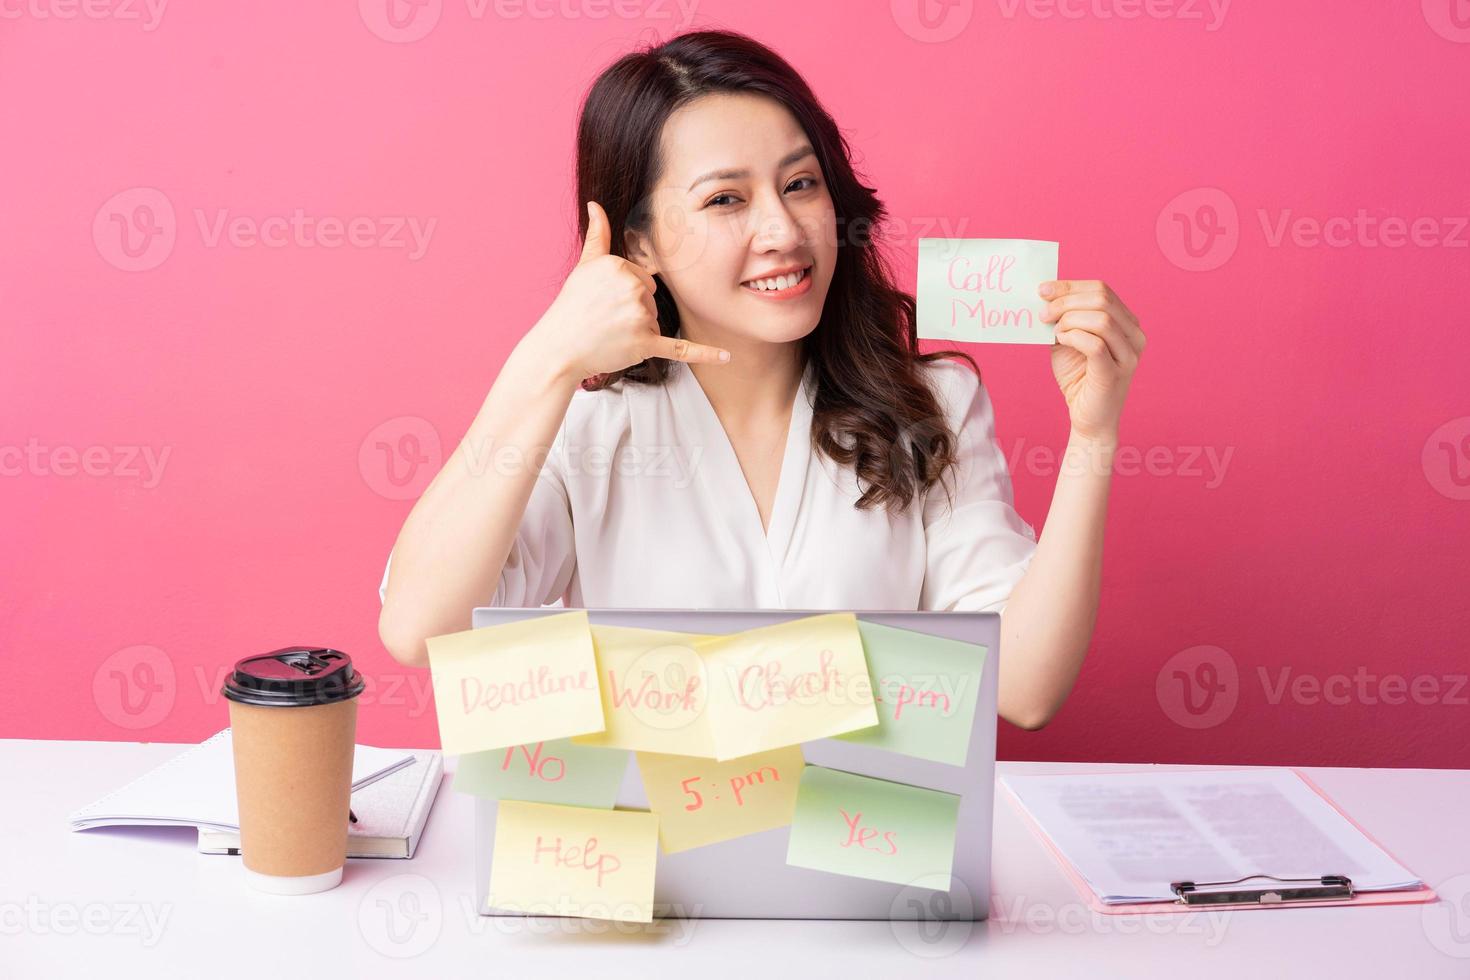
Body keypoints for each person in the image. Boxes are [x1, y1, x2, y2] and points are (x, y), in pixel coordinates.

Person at [377, 29, 1145, 731]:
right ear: (638, 240)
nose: (782, 232)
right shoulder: (588, 421)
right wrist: (545, 359)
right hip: (653, 871)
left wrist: (1093, 436)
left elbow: (1027, 686)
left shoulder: (933, 402)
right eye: (725, 200)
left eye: (801, 184)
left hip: (863, 865)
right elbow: (419, 628)